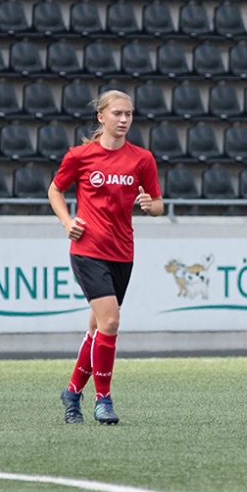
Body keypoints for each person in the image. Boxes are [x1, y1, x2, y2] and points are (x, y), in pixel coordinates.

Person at [47, 90, 163, 425]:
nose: (124, 119)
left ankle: (72, 392)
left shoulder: (142, 159)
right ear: (101, 117)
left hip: (123, 251)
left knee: (98, 326)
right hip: (88, 250)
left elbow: (158, 203)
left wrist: (151, 207)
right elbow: (55, 189)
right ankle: (103, 399)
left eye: (129, 114)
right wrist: (68, 222)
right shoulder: (80, 156)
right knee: (110, 321)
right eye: (117, 113)